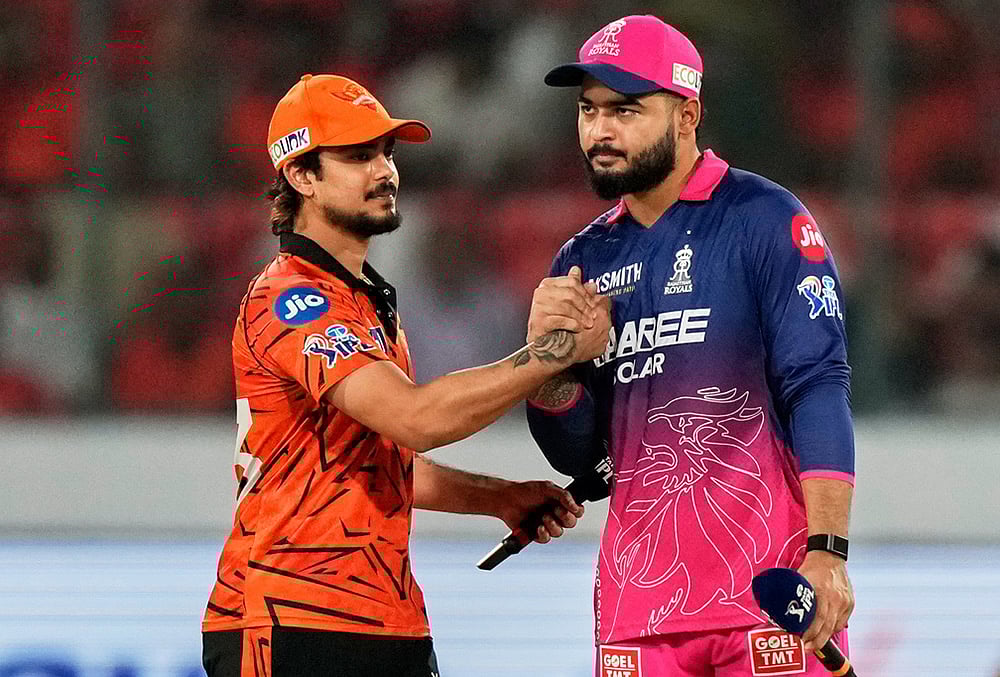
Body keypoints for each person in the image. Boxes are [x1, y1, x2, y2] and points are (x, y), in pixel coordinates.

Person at [201, 73, 612, 677]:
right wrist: (552, 354)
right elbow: (415, 420)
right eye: (357, 155)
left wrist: (499, 498)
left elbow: (375, 464)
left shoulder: (362, 301)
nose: (384, 170)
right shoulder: (290, 297)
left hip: (380, 616)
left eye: (387, 152)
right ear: (301, 175)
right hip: (292, 615)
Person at [526, 16, 856, 676]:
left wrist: (828, 549)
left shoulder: (764, 218)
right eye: (588, 111)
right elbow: (582, 453)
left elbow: (817, 382)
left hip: (769, 598)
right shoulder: (581, 259)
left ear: (687, 113)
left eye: (625, 109)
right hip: (637, 614)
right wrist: (545, 368)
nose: (600, 130)